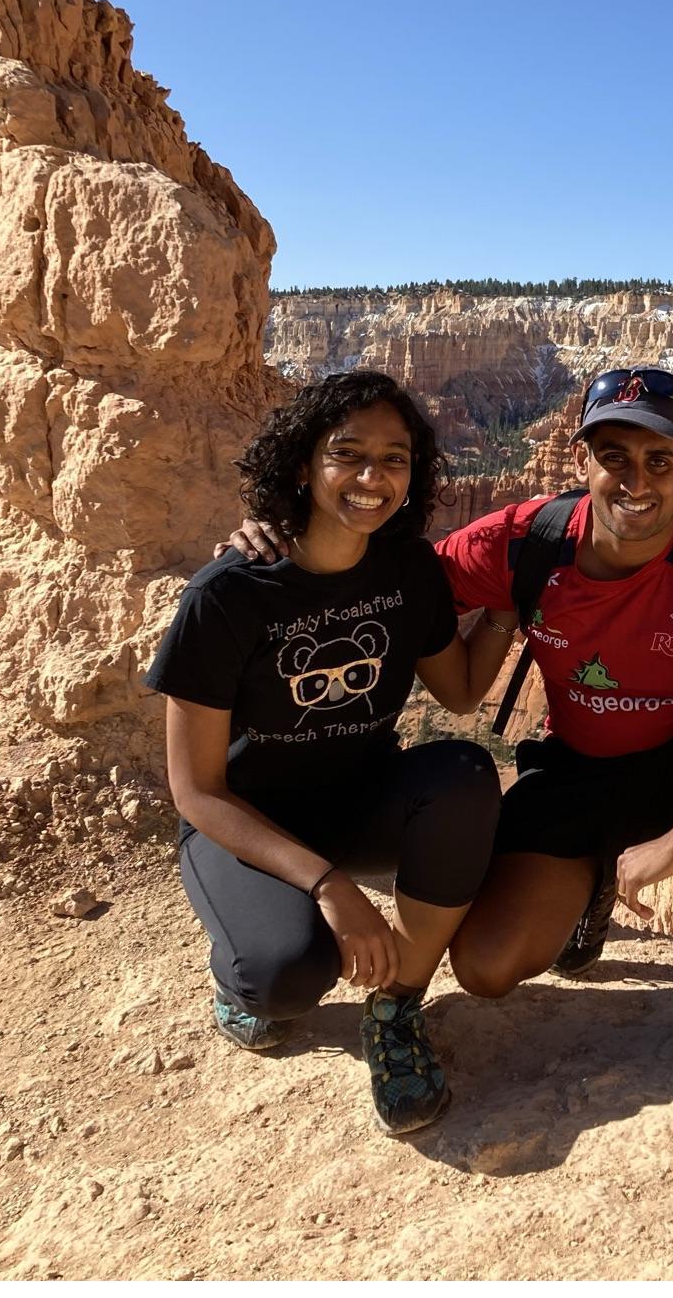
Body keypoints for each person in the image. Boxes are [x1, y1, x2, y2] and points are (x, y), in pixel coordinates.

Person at [230, 366, 673, 1077]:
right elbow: (381, 578)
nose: (635, 481)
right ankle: (593, 881)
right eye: (613, 457)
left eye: (659, 460)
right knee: (488, 968)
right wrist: (282, 540)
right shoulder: (529, 541)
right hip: (577, 774)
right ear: (579, 459)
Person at [146, 371, 511, 1137]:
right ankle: (235, 979)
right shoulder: (229, 593)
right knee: (283, 979)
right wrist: (330, 886)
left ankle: (395, 1008)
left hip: (359, 798)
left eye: (395, 459)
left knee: (465, 776)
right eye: (348, 455)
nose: (372, 479)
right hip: (244, 823)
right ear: (304, 464)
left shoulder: (407, 570)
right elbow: (197, 791)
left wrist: (513, 603)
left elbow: (461, 695)